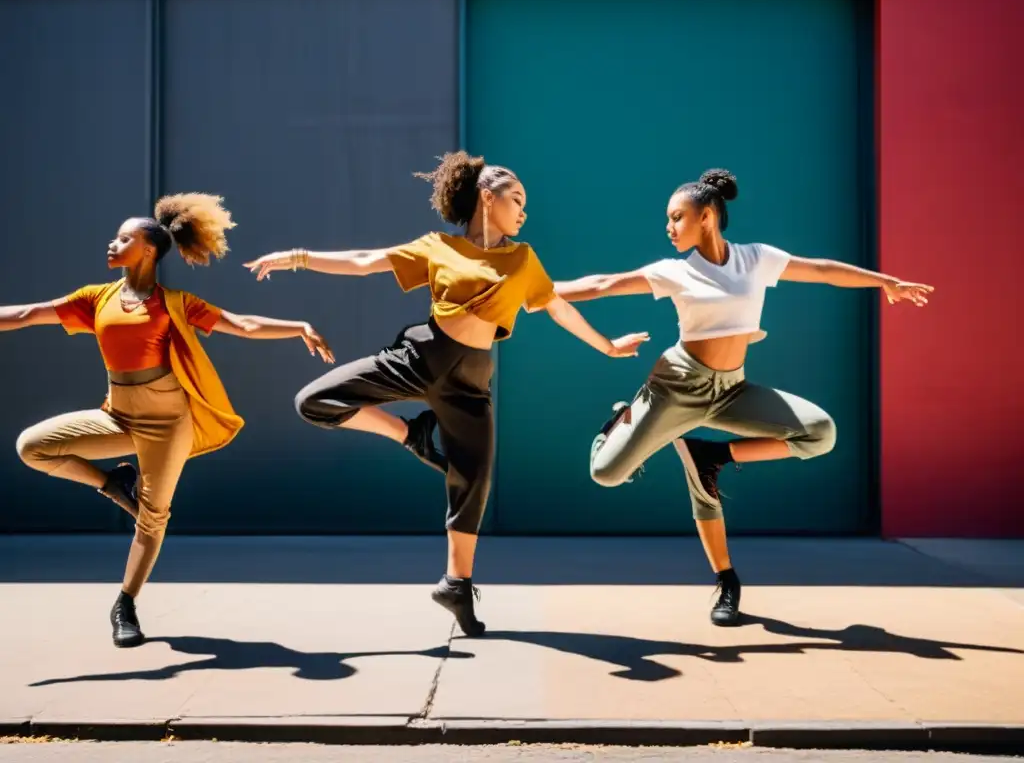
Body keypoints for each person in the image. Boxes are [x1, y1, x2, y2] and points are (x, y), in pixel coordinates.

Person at [243, 151, 650, 637]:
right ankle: (410, 435)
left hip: (470, 382)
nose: (523, 211)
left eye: (525, 204)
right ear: (486, 196)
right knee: (314, 401)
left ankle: (457, 585)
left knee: (473, 479)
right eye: (516, 199)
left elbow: (558, 309)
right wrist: (297, 258)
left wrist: (607, 347)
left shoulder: (522, 260)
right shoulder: (438, 246)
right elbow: (366, 262)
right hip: (420, 357)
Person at [553, 169, 933, 627]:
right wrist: (531, 292)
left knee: (819, 432)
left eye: (677, 218)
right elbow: (602, 285)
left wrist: (884, 281)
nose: (669, 227)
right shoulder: (674, 271)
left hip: (732, 390)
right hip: (676, 388)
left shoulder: (756, 259)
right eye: (668, 219)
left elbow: (822, 271)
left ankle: (713, 471)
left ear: (707, 217)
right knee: (606, 473)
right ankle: (621, 421)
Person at [1, 193, 334, 648]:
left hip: (168, 423)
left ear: (150, 250)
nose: (111, 243)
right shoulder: (95, 299)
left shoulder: (175, 303)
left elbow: (243, 325)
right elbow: (24, 314)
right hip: (117, 415)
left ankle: (125, 604)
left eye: (123, 238)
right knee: (32, 447)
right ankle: (112, 485)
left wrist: (297, 326)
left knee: (153, 517)